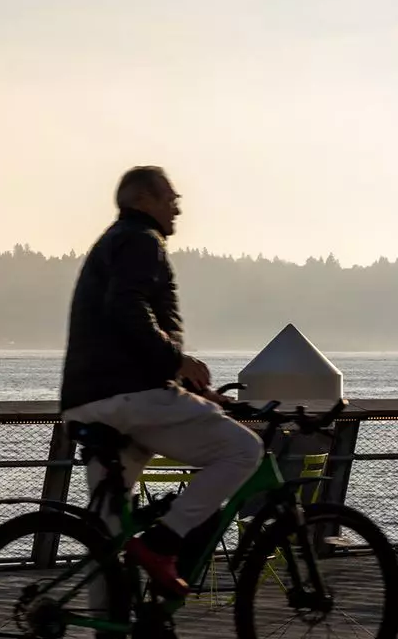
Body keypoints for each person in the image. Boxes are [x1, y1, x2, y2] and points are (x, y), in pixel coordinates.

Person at [60, 166, 261, 598]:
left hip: (88, 400)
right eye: (170, 197)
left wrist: (187, 385)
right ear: (142, 200)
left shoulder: (112, 243)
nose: (178, 207)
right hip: (129, 397)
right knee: (243, 449)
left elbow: (123, 333)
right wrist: (177, 359)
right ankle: (163, 542)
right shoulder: (140, 240)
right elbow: (128, 310)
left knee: (109, 533)